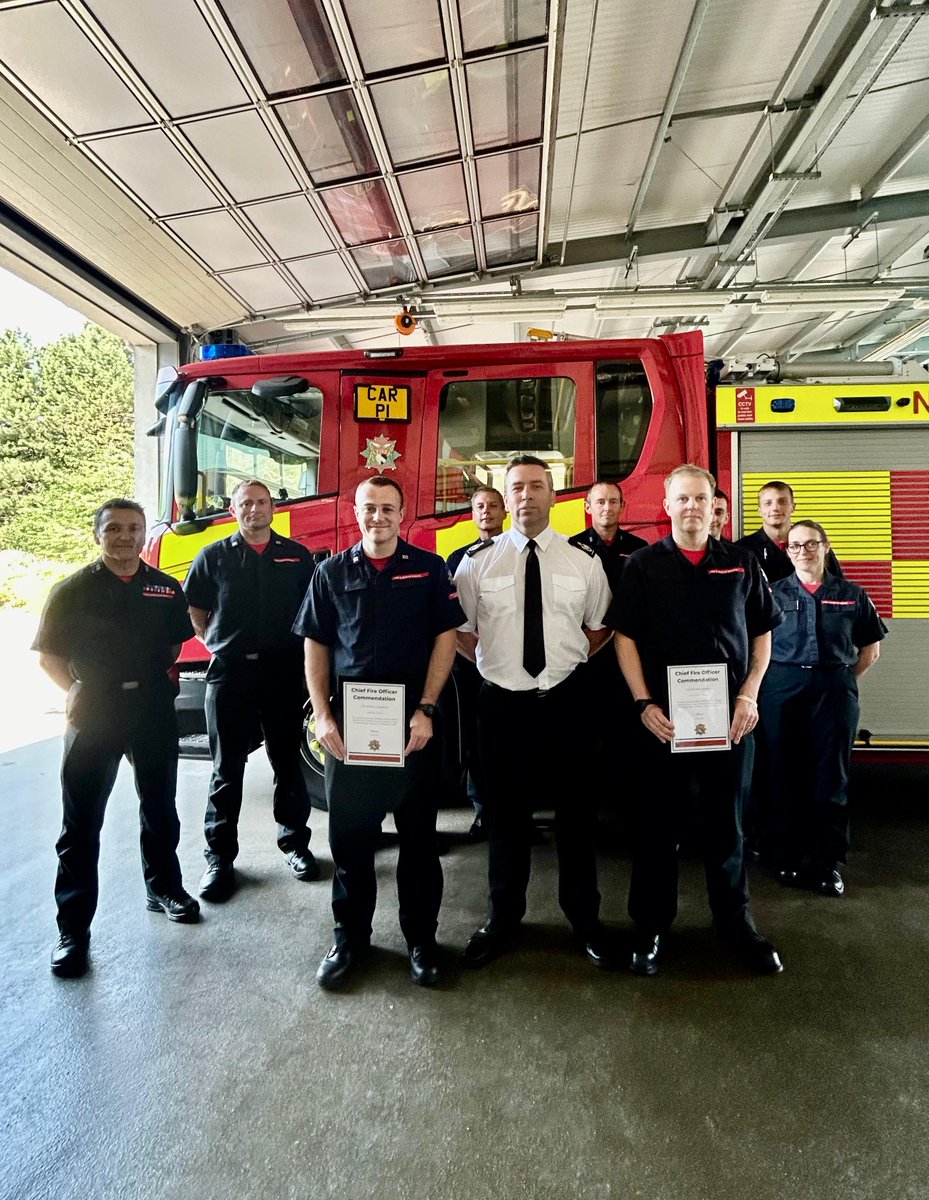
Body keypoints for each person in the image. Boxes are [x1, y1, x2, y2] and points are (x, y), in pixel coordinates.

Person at [608, 464, 784, 976]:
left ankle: (735, 923)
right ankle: (651, 927)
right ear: (666, 506)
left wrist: (749, 694)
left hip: (729, 719)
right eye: (682, 499)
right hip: (662, 722)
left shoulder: (742, 563)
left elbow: (762, 633)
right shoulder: (642, 565)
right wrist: (644, 703)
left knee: (727, 825)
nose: (691, 507)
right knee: (655, 827)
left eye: (700, 499)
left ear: (714, 507)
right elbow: (624, 638)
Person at [296, 475, 463, 990]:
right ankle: (350, 939)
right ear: (356, 512)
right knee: (350, 840)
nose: (378, 517)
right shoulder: (329, 572)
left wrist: (427, 707)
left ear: (402, 513)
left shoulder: (429, 569)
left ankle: (421, 941)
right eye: (369, 507)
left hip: (412, 727)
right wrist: (323, 716)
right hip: (350, 729)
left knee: (418, 841)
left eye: (388, 508)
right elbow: (316, 644)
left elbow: (446, 638)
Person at [455, 455, 614, 970]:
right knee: (505, 819)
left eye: (537, 486)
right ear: (506, 498)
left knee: (576, 817)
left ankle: (585, 920)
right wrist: (497, 667)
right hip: (501, 706)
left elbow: (599, 628)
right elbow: (460, 633)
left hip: (567, 703)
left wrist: (564, 665)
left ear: (553, 494)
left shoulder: (583, 561)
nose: (526, 495)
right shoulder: (476, 563)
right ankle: (503, 919)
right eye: (517, 487)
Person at [34, 499, 198, 979]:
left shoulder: (165, 588)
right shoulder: (71, 591)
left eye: (134, 528)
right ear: (97, 535)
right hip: (95, 713)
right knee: (80, 825)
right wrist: (82, 692)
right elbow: (49, 657)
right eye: (114, 529)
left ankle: (163, 888)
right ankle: (73, 931)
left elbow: (174, 645)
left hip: (152, 709)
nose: (125, 537)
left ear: (144, 534)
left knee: (160, 807)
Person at [184, 479, 318, 903]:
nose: (254, 509)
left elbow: (311, 610)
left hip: (283, 673)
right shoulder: (212, 556)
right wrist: (216, 643)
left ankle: (295, 844)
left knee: (287, 763)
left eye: (262, 502)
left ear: (273, 508)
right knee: (227, 769)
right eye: (246, 503)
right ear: (233, 509)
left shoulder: (296, 556)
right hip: (231, 673)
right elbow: (195, 610)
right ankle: (219, 859)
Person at [758, 520, 885, 897]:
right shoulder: (771, 593)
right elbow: (755, 644)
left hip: (833, 688)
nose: (803, 551)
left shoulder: (851, 594)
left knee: (832, 777)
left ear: (826, 547)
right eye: (795, 546)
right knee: (782, 773)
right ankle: (786, 856)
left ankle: (827, 863)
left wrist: (841, 682)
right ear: (788, 552)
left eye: (811, 544)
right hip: (782, 688)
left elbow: (870, 650)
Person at [447, 486, 506, 841]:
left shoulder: (518, 552)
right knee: (476, 740)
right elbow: (453, 617)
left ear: (504, 512)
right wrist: (477, 656)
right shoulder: (458, 558)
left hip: (513, 664)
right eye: (480, 506)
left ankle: (516, 814)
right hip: (473, 664)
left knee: (513, 742)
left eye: (493, 506)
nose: (486, 511)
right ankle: (483, 811)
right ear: (472, 515)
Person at [738, 480, 842, 581]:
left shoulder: (816, 546)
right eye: (768, 503)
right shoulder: (743, 550)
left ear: (793, 507)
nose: (775, 508)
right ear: (759, 511)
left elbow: (839, 586)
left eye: (782, 502)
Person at [568, 480, 647, 594]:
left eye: (613, 502)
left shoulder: (639, 548)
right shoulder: (573, 548)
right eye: (600, 502)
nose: (607, 508)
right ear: (588, 507)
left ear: (622, 506)